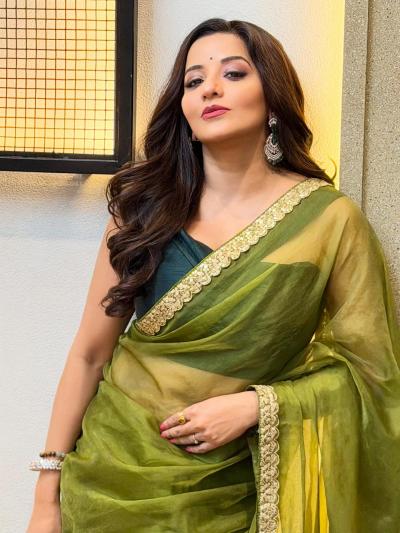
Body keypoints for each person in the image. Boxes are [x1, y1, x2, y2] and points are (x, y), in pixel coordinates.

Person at [27, 18, 400, 533]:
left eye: (234, 73)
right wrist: (46, 496)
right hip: (110, 480)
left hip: (239, 491)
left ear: (273, 97)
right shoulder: (143, 210)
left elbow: (371, 374)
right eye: (194, 80)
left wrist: (256, 407)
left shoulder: (329, 221)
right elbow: (89, 355)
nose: (210, 89)